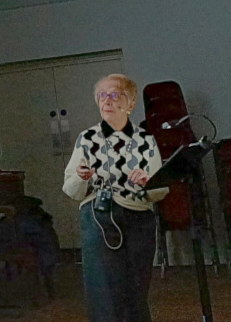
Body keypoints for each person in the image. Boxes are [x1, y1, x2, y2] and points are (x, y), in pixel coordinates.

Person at [62, 74, 168, 322]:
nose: (106, 100)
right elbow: (71, 189)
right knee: (102, 293)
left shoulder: (145, 140)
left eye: (114, 94)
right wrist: (82, 177)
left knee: (136, 289)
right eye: (102, 95)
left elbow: (161, 190)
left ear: (130, 103)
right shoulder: (87, 139)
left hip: (138, 218)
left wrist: (146, 183)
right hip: (98, 217)